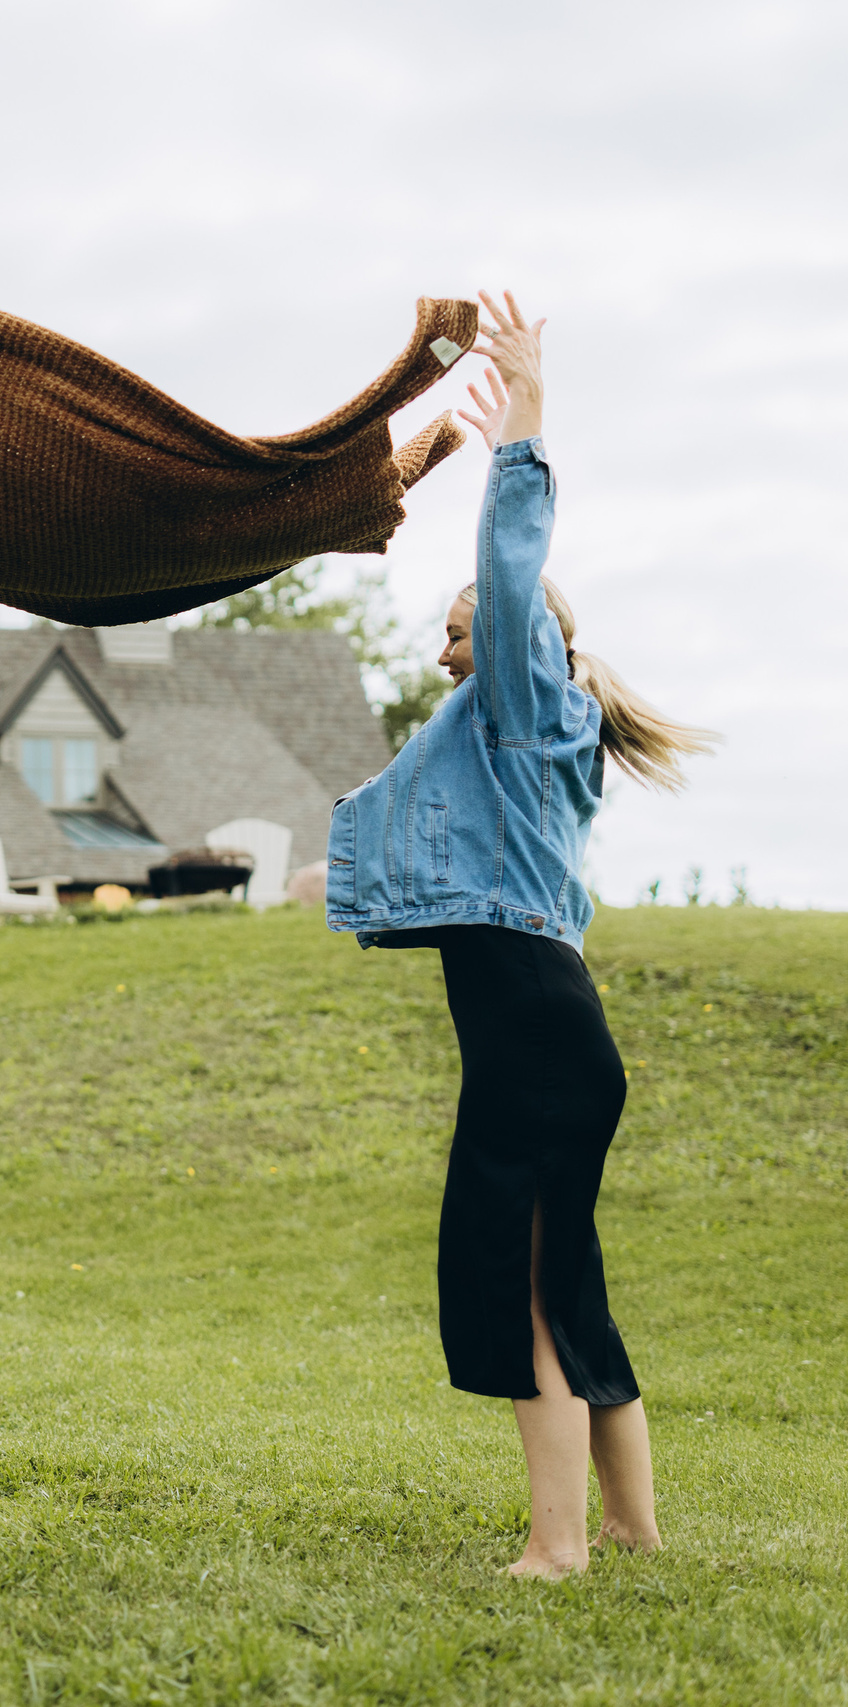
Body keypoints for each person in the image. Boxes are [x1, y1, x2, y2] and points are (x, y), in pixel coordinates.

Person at [326, 291, 716, 1579]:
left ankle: (559, 1548)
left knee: (523, 1289)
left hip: (537, 1043)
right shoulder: (535, 755)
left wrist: (520, 427)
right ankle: (628, 1526)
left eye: (456, 635)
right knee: (568, 1278)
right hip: (552, 1031)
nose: (444, 656)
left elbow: (504, 568)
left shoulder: (520, 705)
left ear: (516, 646)